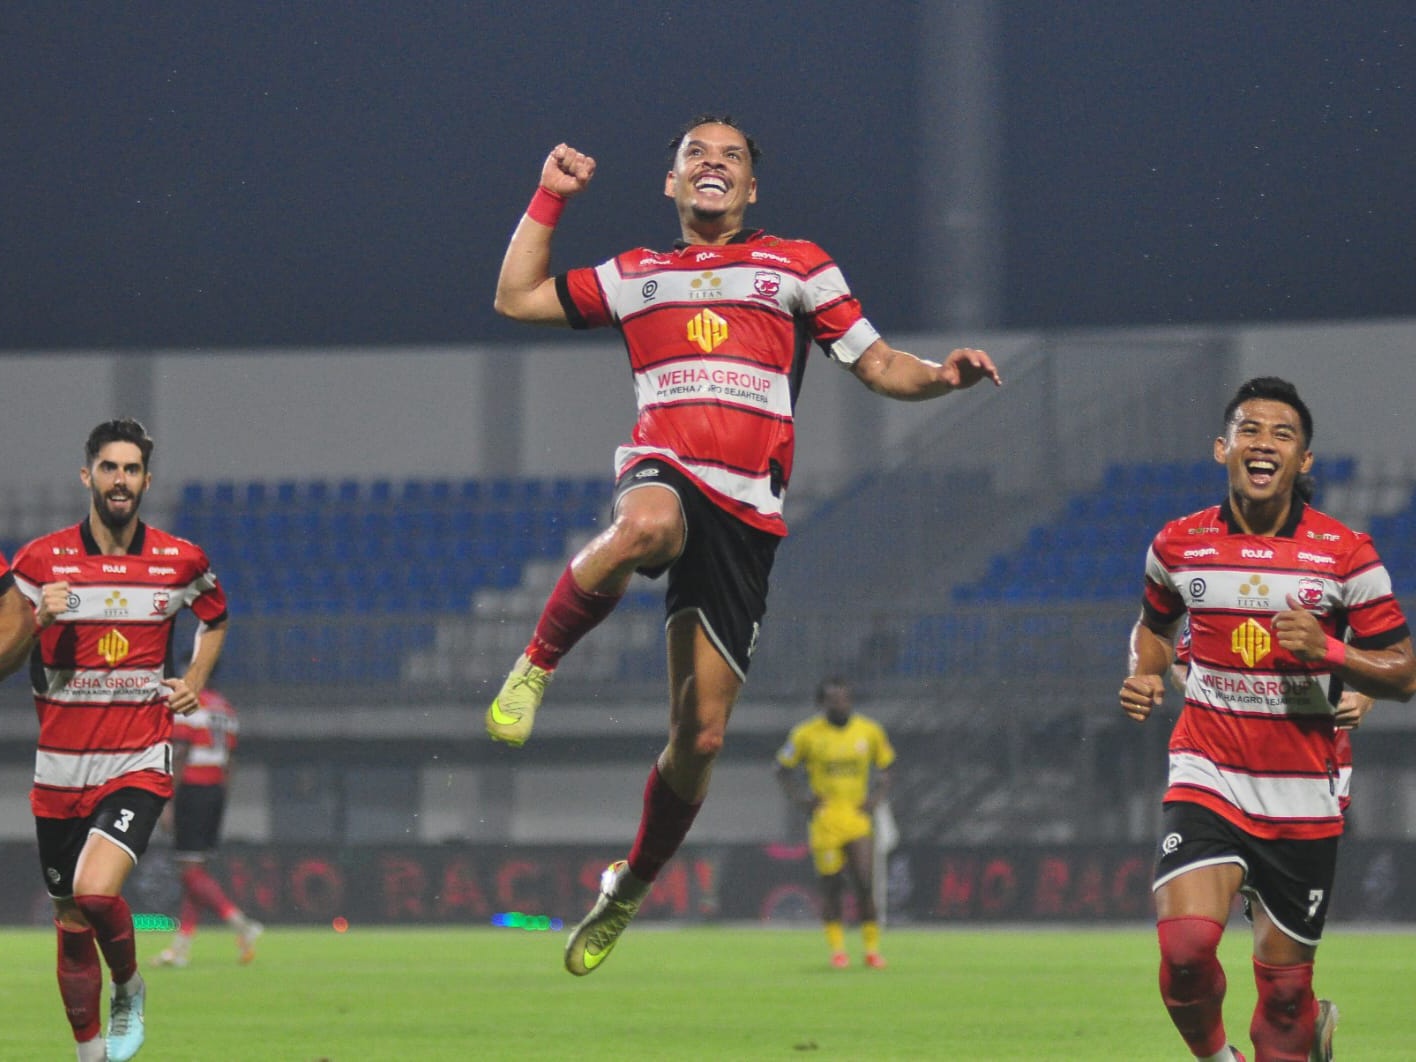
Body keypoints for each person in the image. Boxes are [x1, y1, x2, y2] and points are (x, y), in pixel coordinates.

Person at [486, 114, 1001, 976]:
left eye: (730, 158)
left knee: (703, 737)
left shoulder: (798, 266)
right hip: (667, 469)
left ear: (751, 188)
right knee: (643, 524)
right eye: (696, 154)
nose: (713, 165)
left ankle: (630, 885)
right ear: (672, 183)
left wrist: (941, 377)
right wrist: (549, 196)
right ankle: (536, 664)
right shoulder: (635, 276)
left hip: (749, 516)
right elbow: (515, 297)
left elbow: (877, 364)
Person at [1119, 377, 1416, 1062]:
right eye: (1250, 429)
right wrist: (1144, 669)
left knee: (1282, 1001)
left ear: (1304, 462)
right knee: (1187, 950)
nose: (1264, 443)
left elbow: (1403, 671)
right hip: (1209, 771)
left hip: (1304, 786)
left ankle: (1304, 1029)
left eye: (1283, 435)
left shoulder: (1346, 555)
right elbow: (1155, 627)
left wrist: (1333, 652)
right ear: (1223, 447)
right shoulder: (1177, 544)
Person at [9, 418, 229, 1062]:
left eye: (132, 470)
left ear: (146, 481)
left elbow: (215, 616)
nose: (121, 481)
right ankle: (91, 1055)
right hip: (58, 773)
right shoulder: (39, 563)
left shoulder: (178, 560)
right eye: (110, 468)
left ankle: (129, 985)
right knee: (72, 923)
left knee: (95, 893)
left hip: (137, 758)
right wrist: (37, 619)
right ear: (88, 476)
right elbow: (7, 653)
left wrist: (192, 678)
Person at [775, 677, 895, 969]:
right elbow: (782, 769)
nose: (840, 704)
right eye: (833, 699)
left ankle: (871, 950)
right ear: (822, 703)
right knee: (831, 887)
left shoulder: (869, 731)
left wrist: (876, 798)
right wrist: (803, 801)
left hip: (856, 819)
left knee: (864, 882)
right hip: (825, 822)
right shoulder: (806, 734)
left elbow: (888, 766)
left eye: (844, 698)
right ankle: (838, 951)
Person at [153, 683, 263, 968]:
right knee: (196, 871)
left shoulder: (191, 704)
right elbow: (230, 761)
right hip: (215, 791)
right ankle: (181, 948)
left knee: (189, 872)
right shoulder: (225, 710)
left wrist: (169, 800)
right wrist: (221, 797)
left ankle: (240, 923)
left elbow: (180, 754)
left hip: (192, 788)